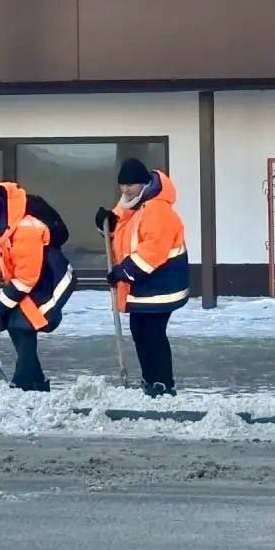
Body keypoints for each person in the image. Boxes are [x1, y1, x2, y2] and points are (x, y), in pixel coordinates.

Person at [0, 182, 76, 392]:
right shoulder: (3, 228)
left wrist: (1, 303)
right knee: (15, 323)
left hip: (47, 281)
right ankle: (35, 381)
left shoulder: (25, 229)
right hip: (26, 283)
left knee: (22, 324)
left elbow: (27, 277)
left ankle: (23, 381)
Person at [95, 159, 190, 398]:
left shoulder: (158, 210)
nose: (125, 189)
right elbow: (123, 234)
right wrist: (107, 225)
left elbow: (153, 250)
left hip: (162, 284)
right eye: (122, 184)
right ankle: (150, 379)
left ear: (144, 183)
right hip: (143, 283)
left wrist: (123, 270)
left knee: (153, 333)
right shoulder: (132, 204)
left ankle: (163, 383)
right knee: (140, 330)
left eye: (130, 184)